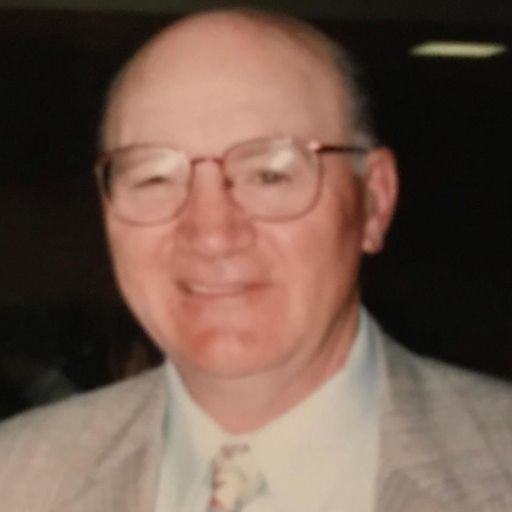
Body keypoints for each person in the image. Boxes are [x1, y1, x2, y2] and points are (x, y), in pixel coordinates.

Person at [1, 8, 511, 511]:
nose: (211, 234)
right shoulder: (17, 476)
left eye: (270, 175)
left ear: (373, 202)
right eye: (154, 178)